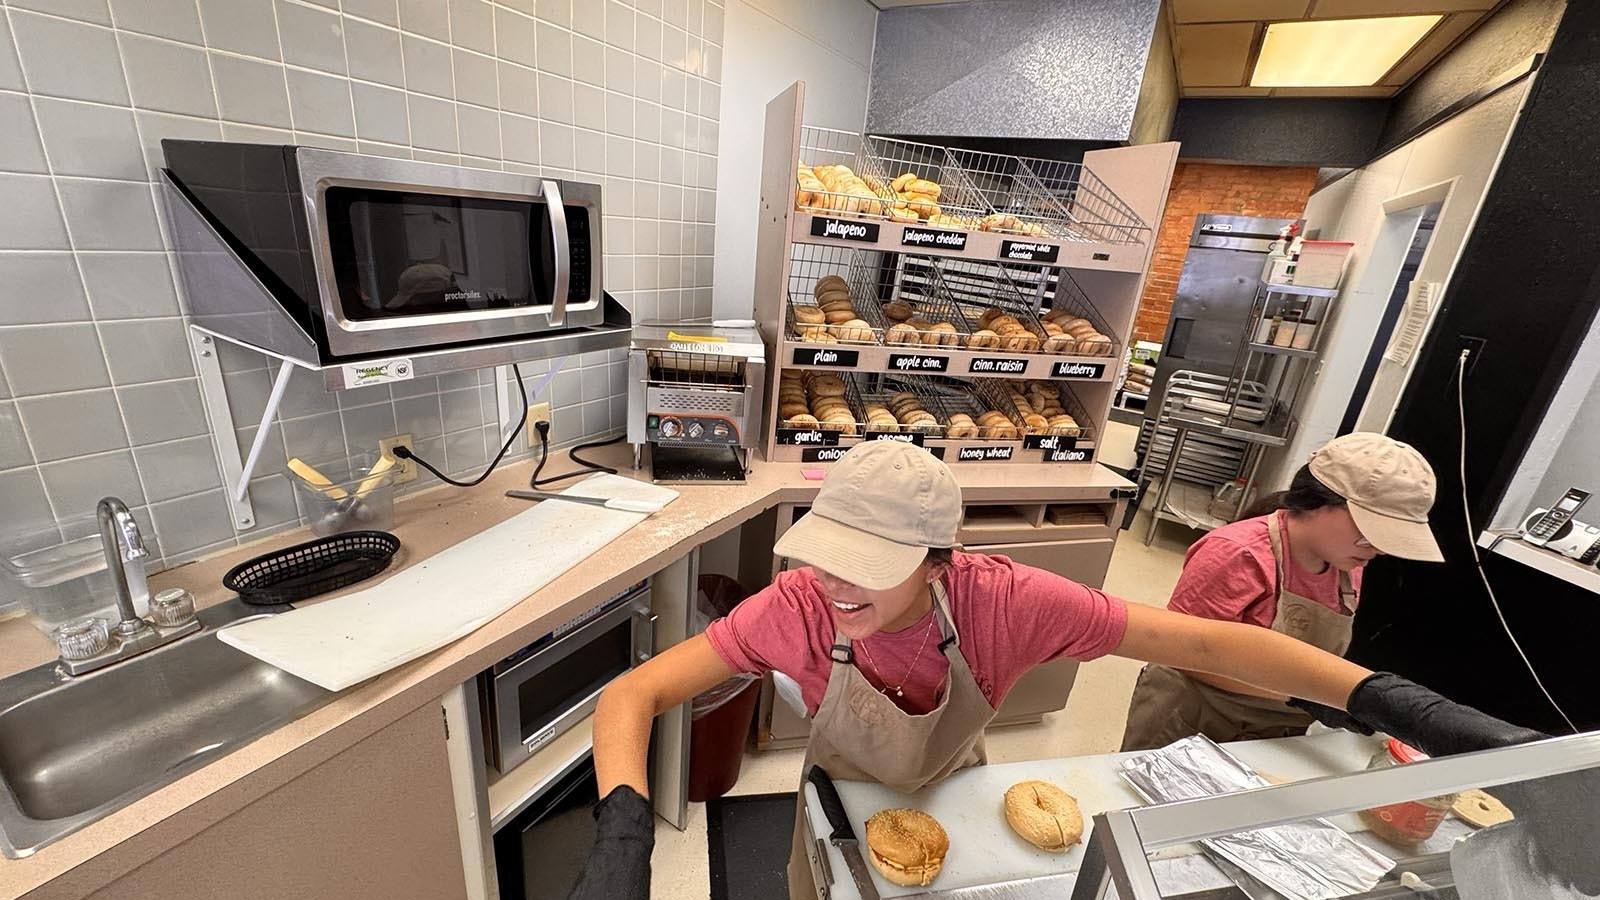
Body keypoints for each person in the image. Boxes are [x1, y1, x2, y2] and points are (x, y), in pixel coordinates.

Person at [566, 440, 1545, 900]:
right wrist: (621, 833)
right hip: (835, 801)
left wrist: (1388, 699)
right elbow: (635, 692)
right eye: (823, 558)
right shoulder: (793, 606)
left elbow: (1200, 644)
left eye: (870, 572)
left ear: (944, 561)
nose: (837, 590)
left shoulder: (1004, 601)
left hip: (960, 791)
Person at [1121, 432, 1442, 752]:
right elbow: (1182, 652)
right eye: (1370, 533)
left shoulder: (1349, 565)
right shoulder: (1239, 554)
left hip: (1275, 728)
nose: (1379, 549)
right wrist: (1304, 693)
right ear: (1320, 501)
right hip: (1194, 718)